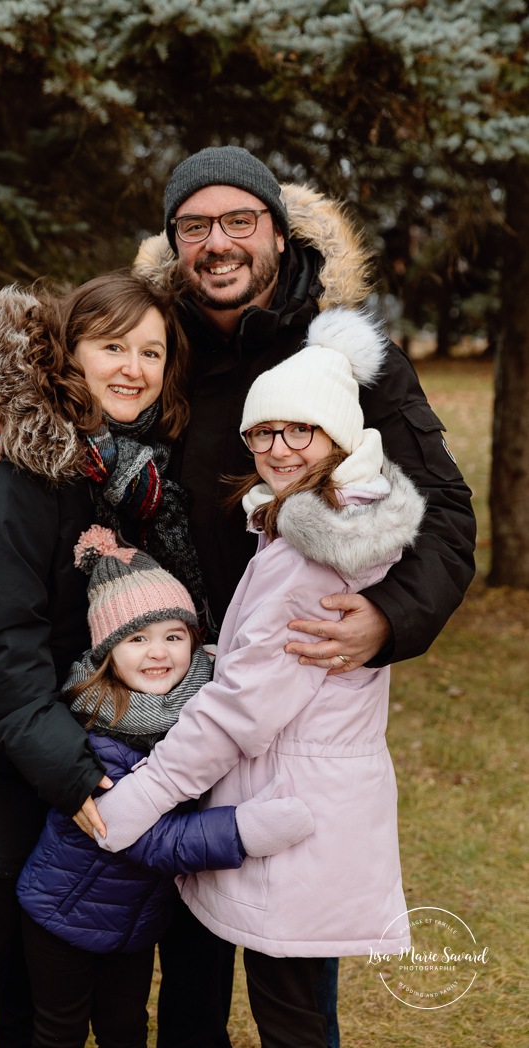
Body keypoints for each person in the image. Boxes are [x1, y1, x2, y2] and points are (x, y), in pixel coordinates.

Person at [0, 146, 476, 1048]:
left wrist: (391, 616)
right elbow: (39, 349)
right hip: (157, 681)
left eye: (238, 222)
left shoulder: (339, 353)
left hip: (279, 681)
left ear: (277, 234)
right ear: (173, 242)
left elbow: (443, 509)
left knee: (287, 937)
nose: (217, 243)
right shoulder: (154, 325)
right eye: (194, 226)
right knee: (186, 930)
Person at [94, 307, 426, 1047]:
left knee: (291, 1019)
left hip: (297, 808)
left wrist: (142, 799)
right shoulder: (312, 523)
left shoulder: (311, 553)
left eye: (297, 431)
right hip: (313, 795)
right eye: (262, 432)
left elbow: (242, 710)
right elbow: (268, 669)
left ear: (339, 438)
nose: (276, 448)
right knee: (294, 1007)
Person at [0, 271, 209, 1048]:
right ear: (65, 352)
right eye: (112, 347)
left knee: (28, 911)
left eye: (151, 350)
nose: (135, 367)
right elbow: (2, 653)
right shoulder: (9, 477)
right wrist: (74, 776)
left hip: (29, 710)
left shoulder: (98, 456)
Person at [16, 525, 314, 1047]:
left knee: (125, 1025)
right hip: (62, 913)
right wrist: (242, 833)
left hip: (135, 925)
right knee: (58, 1030)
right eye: (137, 639)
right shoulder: (95, 732)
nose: (159, 653)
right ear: (107, 652)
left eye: (174, 636)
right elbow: (145, 836)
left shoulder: (193, 712)